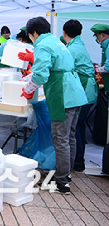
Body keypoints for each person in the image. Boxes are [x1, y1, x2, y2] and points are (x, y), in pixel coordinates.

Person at [21, 17, 87, 194]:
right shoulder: (56, 42)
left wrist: (28, 88)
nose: (32, 40)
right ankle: (67, 175)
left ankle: (61, 182)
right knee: (69, 136)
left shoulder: (42, 45)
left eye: (30, 36)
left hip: (62, 95)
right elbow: (54, 66)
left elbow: (41, 75)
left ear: (34, 33)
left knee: (60, 138)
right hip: (75, 93)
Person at [58, 20, 97, 172]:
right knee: (77, 127)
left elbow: (61, 68)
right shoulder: (78, 45)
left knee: (76, 128)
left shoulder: (72, 49)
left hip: (83, 90)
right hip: (86, 89)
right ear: (81, 33)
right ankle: (77, 161)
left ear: (64, 33)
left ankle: (77, 162)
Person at [91, 23, 109, 93]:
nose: (97, 39)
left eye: (97, 37)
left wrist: (95, 70)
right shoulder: (106, 46)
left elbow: (107, 67)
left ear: (103, 35)